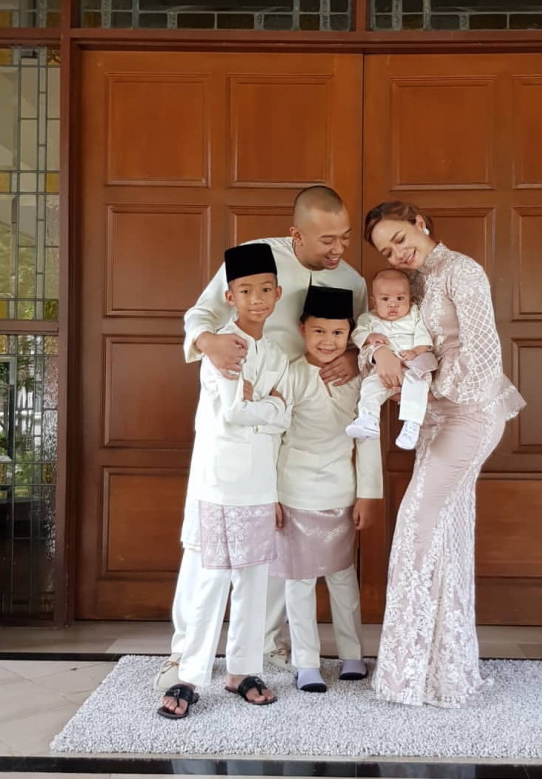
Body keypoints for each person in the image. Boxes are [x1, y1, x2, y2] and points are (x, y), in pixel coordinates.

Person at [155, 185, 368, 692]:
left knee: (275, 533)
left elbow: (361, 334)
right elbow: (201, 315)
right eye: (327, 240)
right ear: (296, 234)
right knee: (205, 539)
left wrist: (352, 357)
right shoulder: (257, 260)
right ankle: (183, 652)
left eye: (344, 238)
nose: (338, 249)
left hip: (299, 420)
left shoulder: (353, 280)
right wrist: (208, 343)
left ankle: (261, 648)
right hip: (232, 414)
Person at [363, 201, 525, 709]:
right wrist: (380, 352)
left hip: (472, 412)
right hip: (435, 416)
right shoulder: (410, 282)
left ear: (421, 223)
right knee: (447, 531)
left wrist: (428, 382)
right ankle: (443, 670)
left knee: (417, 521)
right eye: (387, 251)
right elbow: (382, 330)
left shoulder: (462, 270)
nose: (397, 253)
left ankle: (408, 672)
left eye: (400, 239)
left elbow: (483, 356)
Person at [158, 243, 289, 719]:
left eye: (265, 290)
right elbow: (235, 412)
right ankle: (190, 676)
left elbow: (283, 417)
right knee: (212, 580)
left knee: (253, 578)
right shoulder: (221, 345)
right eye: (246, 290)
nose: (257, 299)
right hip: (218, 481)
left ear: (277, 294)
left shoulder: (275, 354)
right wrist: (268, 406)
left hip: (258, 482)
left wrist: (266, 405)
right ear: (230, 296)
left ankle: (242, 671)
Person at [271, 285, 383, 693]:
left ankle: (353, 654)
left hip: (341, 490)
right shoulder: (289, 374)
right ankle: (306, 662)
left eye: (338, 333)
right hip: (294, 490)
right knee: (299, 582)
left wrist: (369, 494)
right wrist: (270, 495)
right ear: (302, 329)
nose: (328, 341)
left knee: (342, 578)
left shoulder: (360, 379)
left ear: (350, 335)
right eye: (319, 331)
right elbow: (272, 437)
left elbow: (367, 438)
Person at [346, 268, 436, 450]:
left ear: (410, 298)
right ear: (374, 301)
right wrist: (370, 336)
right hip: (383, 370)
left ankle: (411, 425)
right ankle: (368, 418)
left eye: (400, 298)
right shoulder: (368, 319)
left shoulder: (414, 314)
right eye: (385, 299)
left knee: (417, 386)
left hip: (412, 365)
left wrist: (416, 351)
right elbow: (357, 333)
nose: (393, 304)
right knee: (370, 386)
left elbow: (423, 336)